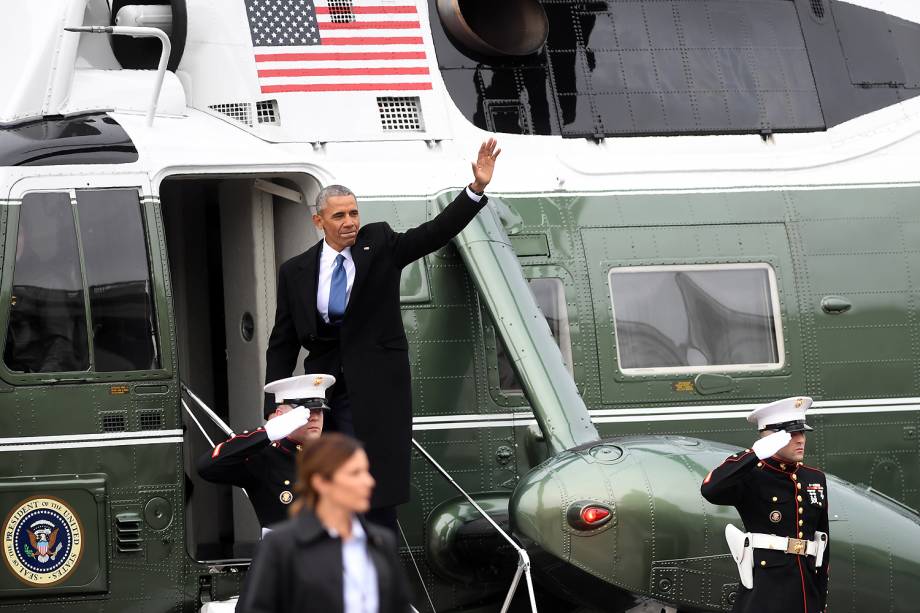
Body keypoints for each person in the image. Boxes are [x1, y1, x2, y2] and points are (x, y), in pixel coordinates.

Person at [264, 138, 502, 531]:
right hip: (320, 396)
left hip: (373, 392)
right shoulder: (296, 270)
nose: (350, 222)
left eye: (354, 213)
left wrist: (474, 190)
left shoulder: (380, 245)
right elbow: (283, 342)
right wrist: (275, 406)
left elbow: (433, 233)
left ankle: (381, 577)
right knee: (323, 492)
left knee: (372, 494)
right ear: (319, 221)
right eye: (339, 216)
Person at [236, 433, 411, 613]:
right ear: (321, 482)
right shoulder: (281, 546)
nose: (369, 482)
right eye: (355, 473)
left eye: (367, 471)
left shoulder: (381, 541)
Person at [701, 396, 830, 613]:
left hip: (806, 596)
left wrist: (820, 601)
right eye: (792, 434)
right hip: (765, 595)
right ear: (771, 438)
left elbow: (822, 544)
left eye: (802, 432)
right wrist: (754, 454)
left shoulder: (814, 478)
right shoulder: (753, 475)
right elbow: (711, 489)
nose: (801, 440)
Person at [197, 374, 334, 530]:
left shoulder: (333, 457)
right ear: (281, 416)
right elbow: (207, 467)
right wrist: (266, 433)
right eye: (306, 411)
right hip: (284, 551)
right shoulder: (265, 458)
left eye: (319, 411)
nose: (315, 417)